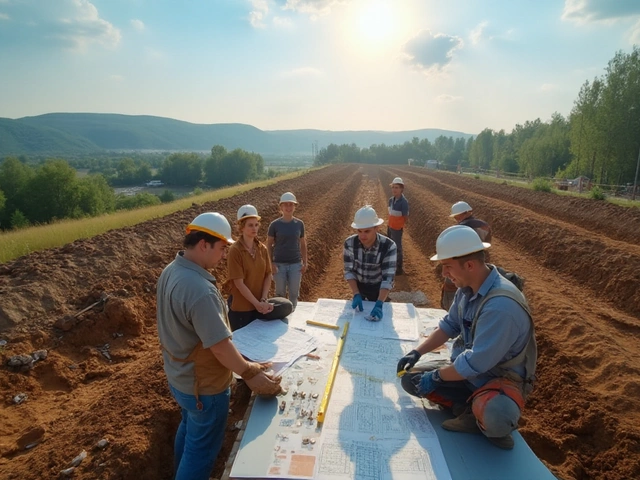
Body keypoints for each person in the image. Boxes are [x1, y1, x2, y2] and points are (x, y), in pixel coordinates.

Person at [156, 212, 283, 480]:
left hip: (179, 378)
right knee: (201, 451)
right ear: (204, 244)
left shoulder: (171, 271)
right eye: (222, 248)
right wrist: (250, 372)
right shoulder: (200, 289)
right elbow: (220, 348)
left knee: (190, 430)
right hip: (205, 389)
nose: (224, 255)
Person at [397, 225, 537, 450]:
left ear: (469, 265)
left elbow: (475, 362)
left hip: (496, 379)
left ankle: (480, 417)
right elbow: (449, 326)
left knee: (497, 417)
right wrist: (417, 352)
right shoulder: (467, 287)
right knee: (410, 379)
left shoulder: (501, 305)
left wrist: (436, 377)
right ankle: (467, 407)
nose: (444, 274)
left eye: (447, 267)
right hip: (469, 372)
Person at [227, 204, 293, 331]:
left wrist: (263, 299)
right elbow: (239, 284)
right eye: (250, 225)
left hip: (259, 305)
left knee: (286, 305)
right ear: (241, 227)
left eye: (256, 224)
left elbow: (268, 274)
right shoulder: (235, 250)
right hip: (242, 309)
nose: (254, 228)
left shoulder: (261, 248)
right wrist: (256, 304)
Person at [343, 205, 397, 322]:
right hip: (359, 286)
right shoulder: (349, 243)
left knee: (381, 321)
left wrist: (379, 303)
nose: (362, 236)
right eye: (359, 231)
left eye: (367, 231)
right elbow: (349, 270)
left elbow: (388, 278)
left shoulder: (388, 246)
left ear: (376, 228)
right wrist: (356, 293)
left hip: (378, 287)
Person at [440, 201, 492, 311]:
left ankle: (451, 310)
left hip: (462, 263)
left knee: (451, 286)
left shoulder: (460, 229)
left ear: (461, 214)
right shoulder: (484, 225)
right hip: (480, 261)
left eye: (456, 216)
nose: (455, 219)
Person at [267, 192, 308, 311]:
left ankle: (292, 316)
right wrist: (271, 263)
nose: (288, 208)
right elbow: (269, 245)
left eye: (291, 205)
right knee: (280, 294)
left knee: (294, 294)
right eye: (286, 205)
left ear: (295, 206)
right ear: (281, 207)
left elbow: (303, 244)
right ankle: (281, 317)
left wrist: (305, 262)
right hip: (279, 264)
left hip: (295, 264)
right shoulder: (274, 225)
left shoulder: (299, 224)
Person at [387, 177, 409, 275]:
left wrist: (399, 225)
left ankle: (399, 268)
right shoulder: (391, 200)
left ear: (401, 189)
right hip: (390, 226)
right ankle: (390, 263)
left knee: (397, 247)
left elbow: (405, 216)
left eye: (396, 187)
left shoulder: (404, 202)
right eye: (393, 187)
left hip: (397, 228)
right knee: (390, 245)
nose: (394, 190)